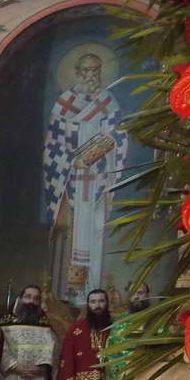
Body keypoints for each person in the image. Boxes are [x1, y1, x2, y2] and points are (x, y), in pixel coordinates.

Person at [44, 53, 127, 305]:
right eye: (86, 70)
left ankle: (94, 291)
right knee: (72, 234)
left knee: (95, 231)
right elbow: (53, 144)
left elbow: (117, 137)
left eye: (95, 70)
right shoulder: (64, 103)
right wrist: (72, 161)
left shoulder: (108, 102)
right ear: (78, 72)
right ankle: (71, 293)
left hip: (98, 180)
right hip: (71, 182)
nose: (91, 76)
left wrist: (91, 157)